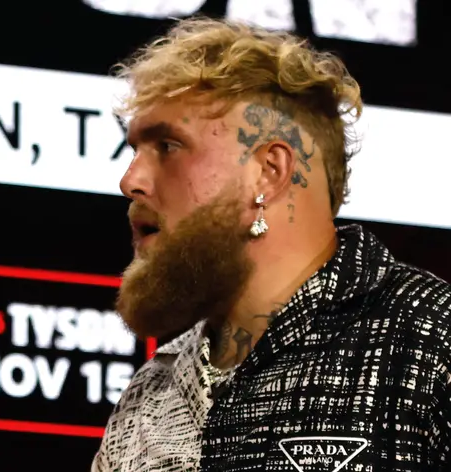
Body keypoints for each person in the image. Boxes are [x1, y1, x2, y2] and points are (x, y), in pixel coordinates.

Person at [93, 16, 451, 472]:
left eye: (167, 146)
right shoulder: (148, 395)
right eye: (134, 152)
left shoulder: (432, 339)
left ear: (269, 172)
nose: (131, 181)